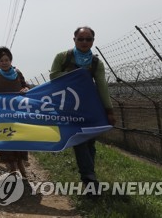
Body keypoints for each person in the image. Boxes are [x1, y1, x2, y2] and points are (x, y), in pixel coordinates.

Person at [49, 26, 116, 190]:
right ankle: (89, 179)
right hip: (69, 107)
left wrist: (109, 110)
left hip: (90, 106)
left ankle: (89, 175)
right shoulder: (62, 57)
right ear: (74, 40)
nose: (85, 42)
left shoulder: (95, 62)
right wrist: (78, 75)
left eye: (89, 39)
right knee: (79, 140)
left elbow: (101, 85)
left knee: (90, 142)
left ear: (93, 41)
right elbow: (53, 76)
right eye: (81, 39)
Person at [0, 47, 30, 178]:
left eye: (6, 60)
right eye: (1, 60)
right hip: (3, 116)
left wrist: (25, 89)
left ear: (11, 61)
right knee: (7, 140)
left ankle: (21, 165)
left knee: (20, 139)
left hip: (18, 114)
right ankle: (12, 168)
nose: (4, 62)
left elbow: (25, 86)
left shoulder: (18, 73)